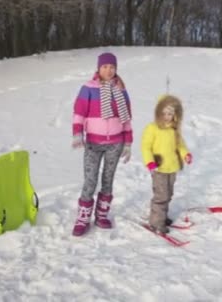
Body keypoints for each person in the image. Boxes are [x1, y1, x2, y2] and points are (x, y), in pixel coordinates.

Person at [71, 52, 133, 237]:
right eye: (105, 66)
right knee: (90, 180)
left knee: (108, 180)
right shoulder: (88, 88)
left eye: (112, 67)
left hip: (116, 143)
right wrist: (77, 133)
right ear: (98, 68)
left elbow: (127, 119)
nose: (109, 70)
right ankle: (83, 218)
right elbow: (79, 113)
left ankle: (101, 215)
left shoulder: (121, 90)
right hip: (93, 143)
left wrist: (128, 143)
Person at [141, 95, 192, 234]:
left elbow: (180, 146)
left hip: (172, 167)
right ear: (158, 112)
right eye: (163, 113)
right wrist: (149, 161)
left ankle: (162, 216)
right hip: (159, 168)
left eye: (170, 113)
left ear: (175, 115)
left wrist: (185, 154)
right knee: (161, 196)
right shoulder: (152, 128)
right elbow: (146, 147)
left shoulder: (174, 130)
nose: (166, 116)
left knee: (168, 194)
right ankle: (156, 223)